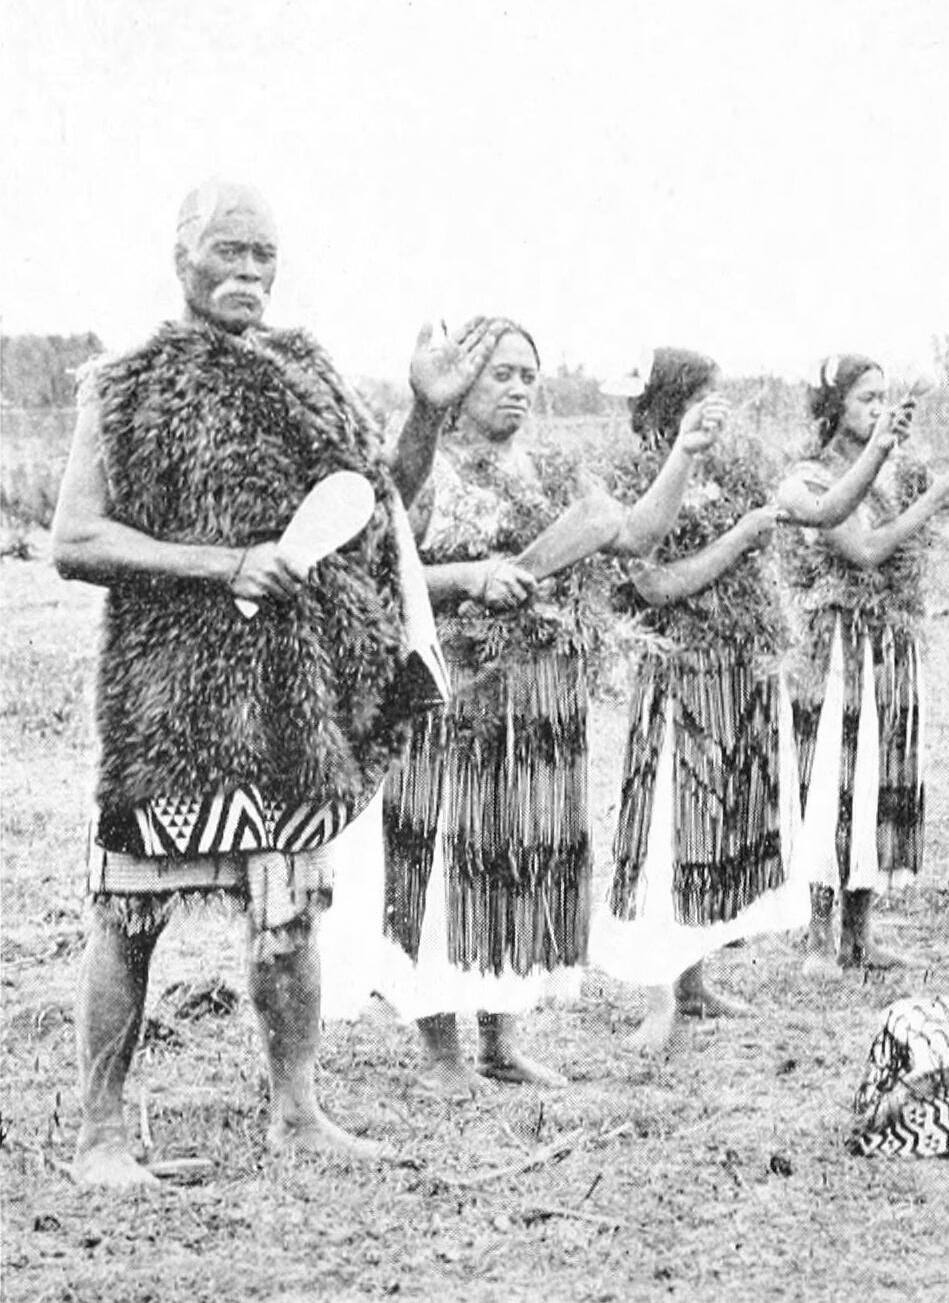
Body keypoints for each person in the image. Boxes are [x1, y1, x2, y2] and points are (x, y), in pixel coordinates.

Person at [49, 182, 490, 1184]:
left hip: (295, 701)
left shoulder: (310, 374)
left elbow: (377, 503)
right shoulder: (124, 383)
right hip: (169, 703)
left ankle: (298, 1111)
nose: (249, 271)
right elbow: (74, 539)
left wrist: (425, 411)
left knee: (288, 910)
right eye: (230, 251)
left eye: (264, 256)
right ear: (182, 258)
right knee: (131, 909)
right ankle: (100, 1137)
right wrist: (227, 565)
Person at [328, 318, 713, 1091]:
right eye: (500, 374)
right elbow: (372, 567)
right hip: (452, 701)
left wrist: (684, 453)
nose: (517, 390)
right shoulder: (427, 470)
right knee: (447, 863)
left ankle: (500, 1045)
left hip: (536, 702)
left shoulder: (549, 470)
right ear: (461, 383)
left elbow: (632, 535)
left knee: (517, 860)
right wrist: (469, 577)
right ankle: (441, 1056)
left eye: (527, 377)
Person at [594, 347, 901, 1053]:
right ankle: (658, 998)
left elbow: (824, 510)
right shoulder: (637, 480)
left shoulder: (734, 471)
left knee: (715, 829)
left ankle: (694, 982)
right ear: (668, 405)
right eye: (702, 396)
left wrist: (879, 449)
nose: (717, 409)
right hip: (679, 678)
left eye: (720, 395)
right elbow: (656, 585)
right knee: (669, 829)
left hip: (738, 671)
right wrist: (739, 538)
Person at [777, 354, 949, 974]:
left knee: (878, 778)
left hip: (888, 640)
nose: (878, 409)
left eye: (884, 398)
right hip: (834, 645)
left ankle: (860, 935)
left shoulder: (896, 470)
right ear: (834, 406)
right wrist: (932, 498)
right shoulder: (809, 475)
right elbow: (861, 549)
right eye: (866, 398)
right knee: (831, 778)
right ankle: (817, 937)